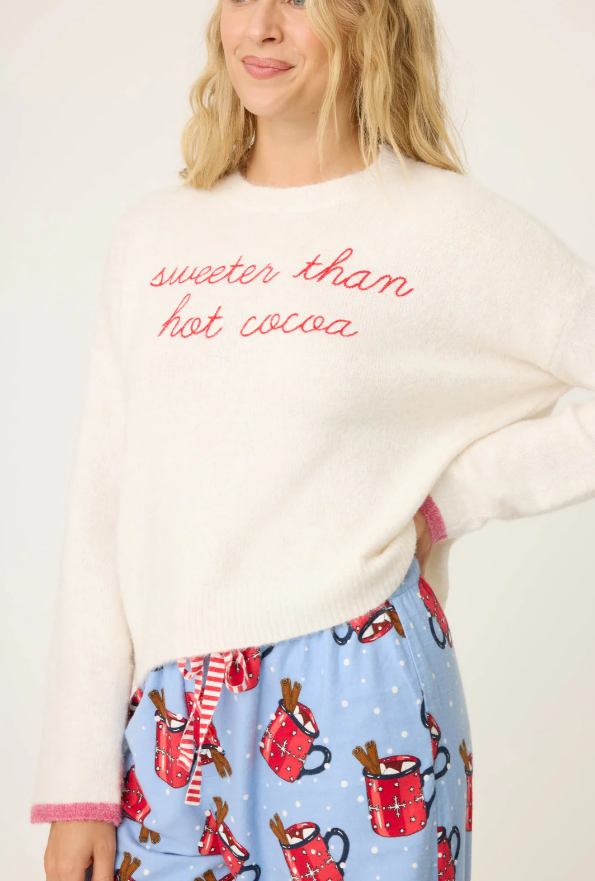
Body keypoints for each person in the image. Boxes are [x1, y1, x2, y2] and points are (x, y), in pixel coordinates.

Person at [31, 1, 594, 879]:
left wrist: (453, 497)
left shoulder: (445, 227)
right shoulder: (153, 238)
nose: (259, 26)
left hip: (360, 686)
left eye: (298, 0)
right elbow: (100, 510)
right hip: (174, 716)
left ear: (371, 21)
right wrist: (78, 784)